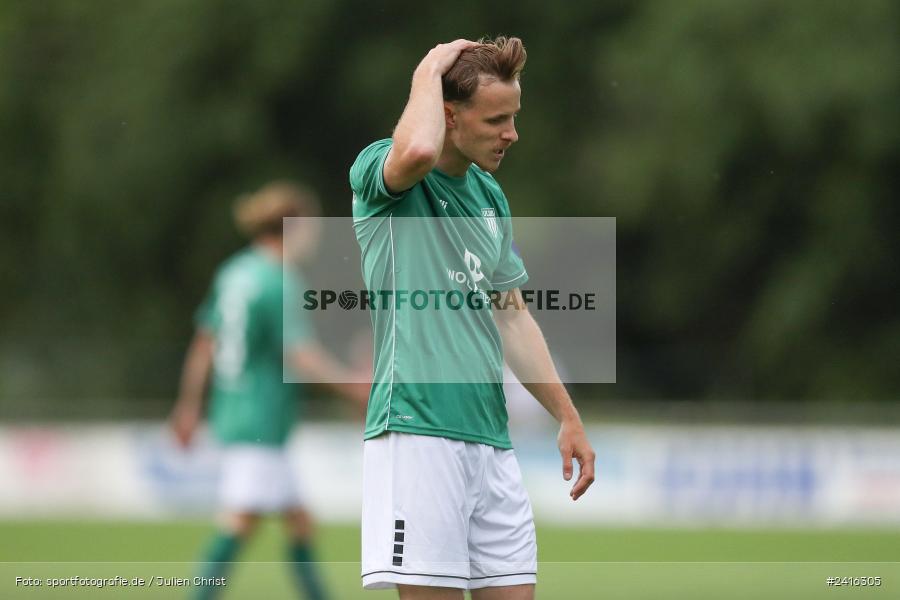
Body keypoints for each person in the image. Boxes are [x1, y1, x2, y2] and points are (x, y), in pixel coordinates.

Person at [349, 37, 596, 599]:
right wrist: (429, 67)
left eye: (514, 117)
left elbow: (511, 317)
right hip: (417, 433)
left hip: (490, 438)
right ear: (448, 115)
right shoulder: (382, 172)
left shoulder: (489, 196)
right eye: (496, 120)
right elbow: (414, 155)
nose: (511, 133)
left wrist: (566, 414)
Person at [169, 181, 367, 600]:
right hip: (259, 418)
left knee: (299, 521)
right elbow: (301, 355)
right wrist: (356, 389)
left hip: (235, 411)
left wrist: (188, 406)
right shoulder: (279, 281)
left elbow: (204, 343)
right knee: (239, 521)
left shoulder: (234, 272)